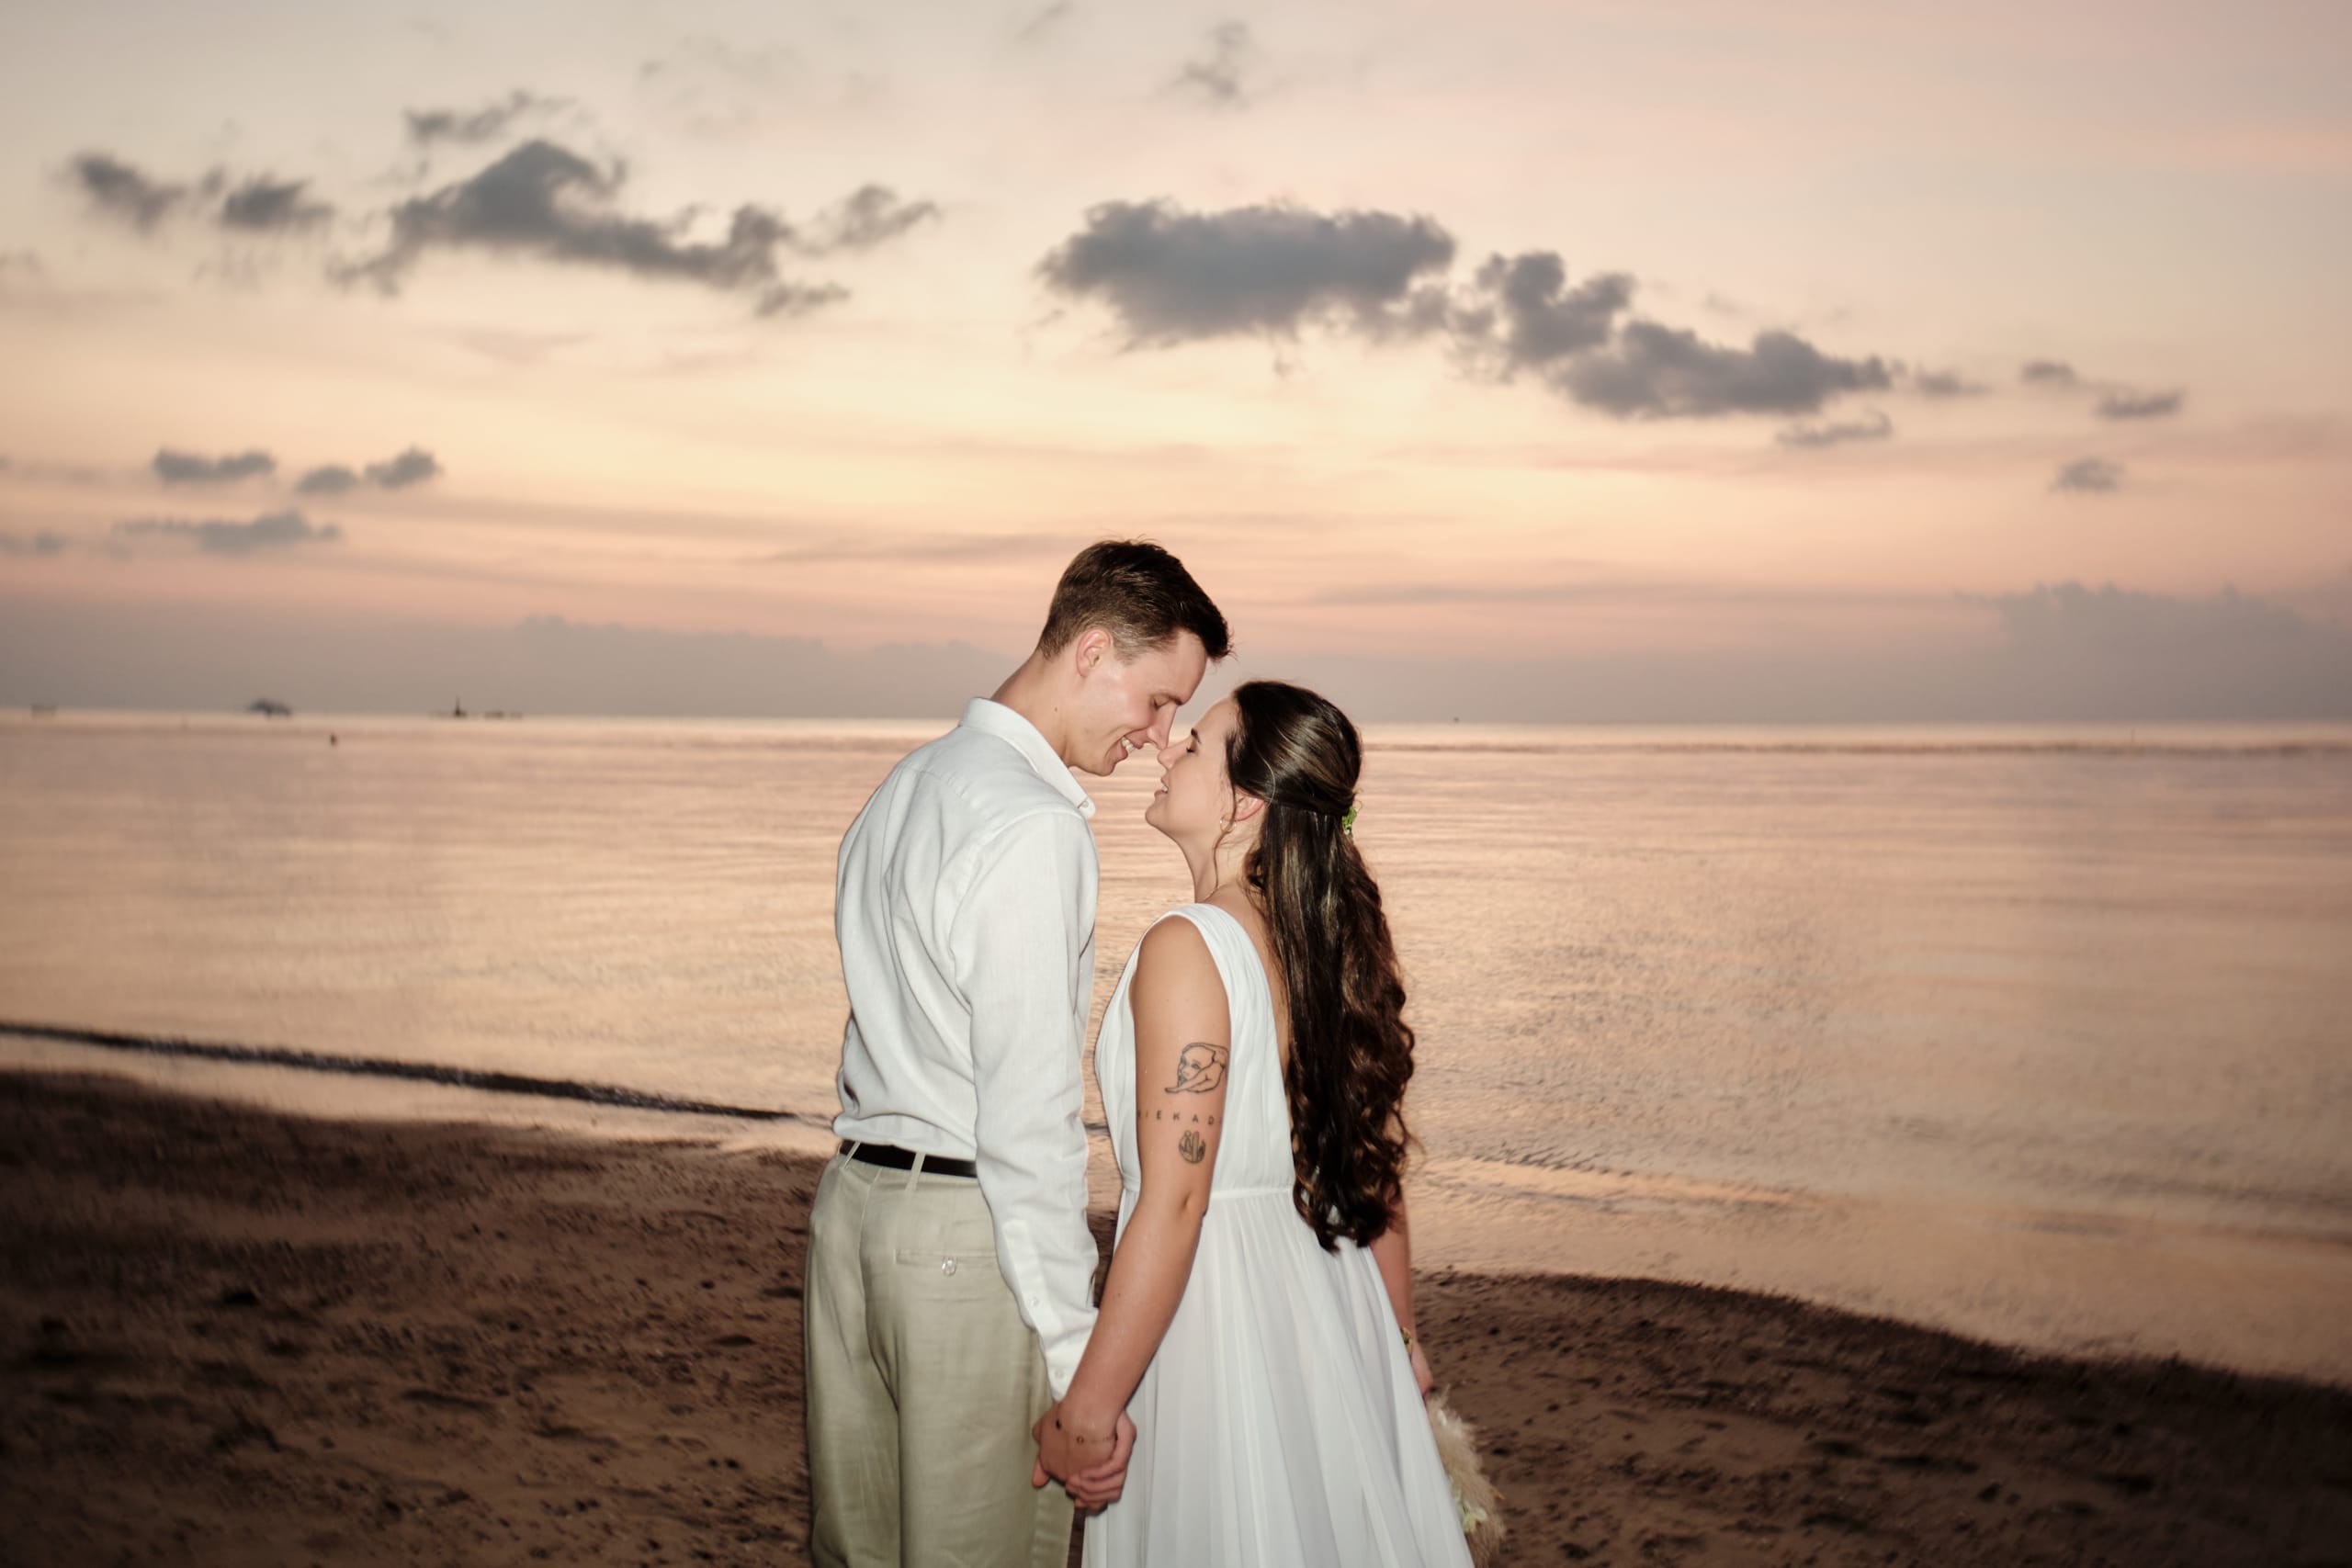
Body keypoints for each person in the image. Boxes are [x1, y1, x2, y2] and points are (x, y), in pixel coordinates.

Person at [803, 540, 1231, 1568]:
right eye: (1160, 699)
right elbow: (1029, 1119)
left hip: (850, 1222)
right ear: (1092, 651)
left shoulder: (909, 785)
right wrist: (1077, 1363)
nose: (1160, 735)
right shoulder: (1035, 825)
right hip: (960, 1246)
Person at [1052, 680, 1473, 1568]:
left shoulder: (1189, 947)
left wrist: (1089, 1407)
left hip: (1221, 1312)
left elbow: (1175, 1203)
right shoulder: (1323, 945)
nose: (1167, 751)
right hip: (1328, 1301)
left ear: (1245, 799)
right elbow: (1371, 1165)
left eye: (1195, 744)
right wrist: (1398, 1338)